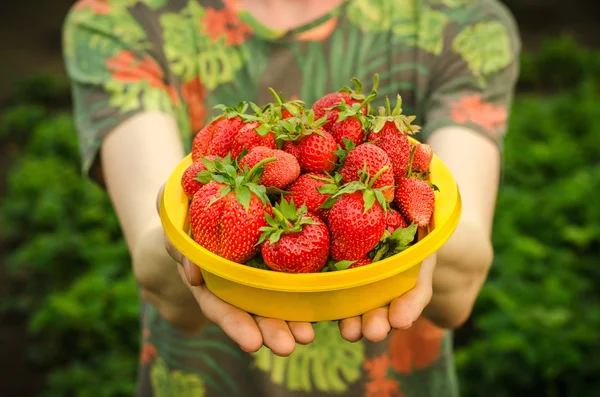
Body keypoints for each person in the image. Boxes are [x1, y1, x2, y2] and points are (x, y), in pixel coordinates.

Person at [62, 0, 520, 395]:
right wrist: (188, 250)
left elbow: (460, 288)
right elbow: (158, 275)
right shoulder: (122, 17)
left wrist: (417, 237)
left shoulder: (463, 21)